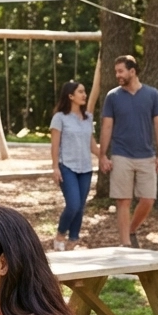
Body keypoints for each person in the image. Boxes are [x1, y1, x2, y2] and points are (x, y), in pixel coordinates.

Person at [99, 55, 158, 247]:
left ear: (132, 71)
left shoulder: (152, 94)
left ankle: (131, 229)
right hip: (121, 154)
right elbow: (107, 127)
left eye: (120, 71)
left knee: (148, 199)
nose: (117, 75)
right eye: (116, 72)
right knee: (123, 200)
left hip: (147, 155)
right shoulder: (113, 97)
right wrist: (103, 154)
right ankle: (126, 244)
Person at [50, 81, 99, 251]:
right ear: (70, 96)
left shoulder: (88, 118)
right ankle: (60, 235)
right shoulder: (59, 118)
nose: (84, 95)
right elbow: (55, 145)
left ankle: (73, 242)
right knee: (73, 205)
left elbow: (92, 145)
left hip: (86, 168)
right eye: (80, 92)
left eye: (84, 91)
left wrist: (105, 157)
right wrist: (55, 167)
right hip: (67, 167)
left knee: (80, 207)